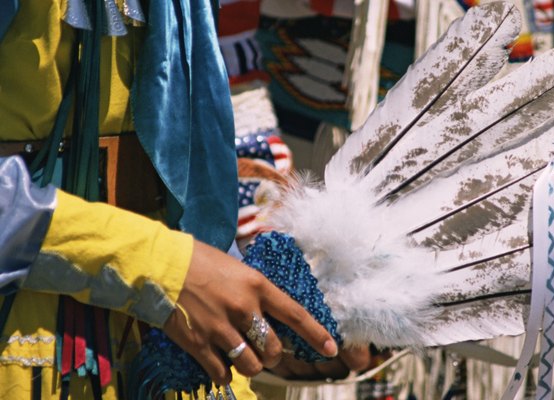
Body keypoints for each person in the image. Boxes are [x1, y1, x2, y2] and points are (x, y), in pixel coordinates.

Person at [0, 0, 341, 398]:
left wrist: (245, 295)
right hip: (33, 336)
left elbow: (186, 144)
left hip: (178, 338)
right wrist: (165, 268)